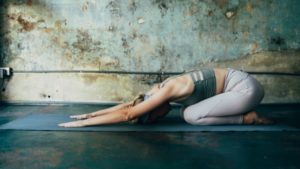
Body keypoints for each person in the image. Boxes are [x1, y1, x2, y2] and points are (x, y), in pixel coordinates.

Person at [58, 68, 272, 127]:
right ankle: (244, 114)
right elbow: (132, 104)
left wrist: (85, 125)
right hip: (239, 85)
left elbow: (128, 114)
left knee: (190, 115)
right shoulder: (156, 91)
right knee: (185, 111)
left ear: (153, 107)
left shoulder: (168, 90)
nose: (158, 118)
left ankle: (247, 118)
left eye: (153, 117)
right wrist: (90, 114)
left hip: (244, 89)